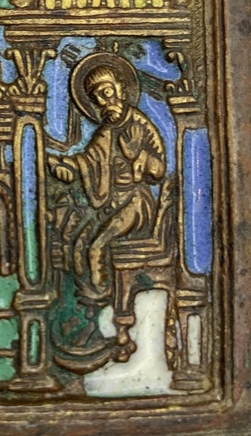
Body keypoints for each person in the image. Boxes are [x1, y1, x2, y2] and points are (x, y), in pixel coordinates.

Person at [49, 64, 165, 303]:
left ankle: (103, 296)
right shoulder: (105, 131)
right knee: (79, 243)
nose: (103, 101)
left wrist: (137, 154)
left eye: (107, 92)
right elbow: (88, 160)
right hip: (111, 202)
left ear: (120, 89)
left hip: (135, 201)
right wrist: (64, 165)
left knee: (96, 246)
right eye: (96, 98)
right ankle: (88, 295)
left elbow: (159, 169)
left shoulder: (139, 124)